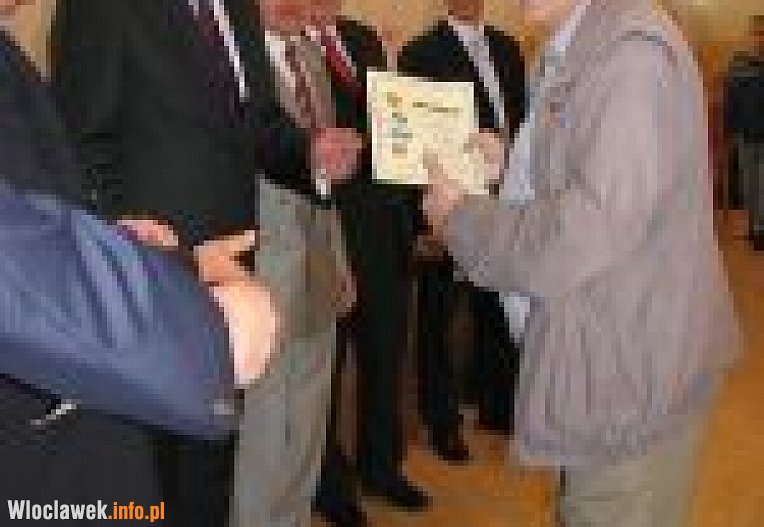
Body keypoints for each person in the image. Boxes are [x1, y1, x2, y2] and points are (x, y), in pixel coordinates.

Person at [420, 0, 740, 525]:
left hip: (628, 377)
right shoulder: (585, 39)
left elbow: (587, 231)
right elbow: (594, 167)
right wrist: (513, 161)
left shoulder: (630, 56)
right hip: (611, 355)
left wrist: (463, 220)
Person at [49, 0, 360, 525]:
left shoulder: (237, 9)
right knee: (152, 479)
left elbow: (259, 126)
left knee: (210, 463)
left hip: (232, 277)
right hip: (149, 285)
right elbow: (80, 142)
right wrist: (127, 252)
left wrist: (312, 154)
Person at [306, 0, 428, 523]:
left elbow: (394, 134)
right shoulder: (284, 41)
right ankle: (328, 481)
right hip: (326, 231)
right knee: (327, 369)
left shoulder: (365, 39)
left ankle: (381, 465)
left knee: (384, 357)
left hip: (383, 231)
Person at [398, 0, 526, 454]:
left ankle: (496, 404)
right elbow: (414, 143)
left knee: (496, 306)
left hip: (505, 200)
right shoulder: (420, 53)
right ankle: (442, 419)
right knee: (440, 315)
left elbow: (521, 121)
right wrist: (424, 217)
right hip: (450, 204)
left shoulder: (508, 48)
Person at [724, 14, 764, 250]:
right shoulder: (738, 65)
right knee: (750, 183)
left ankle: (758, 229)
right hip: (746, 133)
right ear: (749, 36)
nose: (760, 38)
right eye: (757, 33)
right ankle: (755, 227)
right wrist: (730, 130)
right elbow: (730, 98)